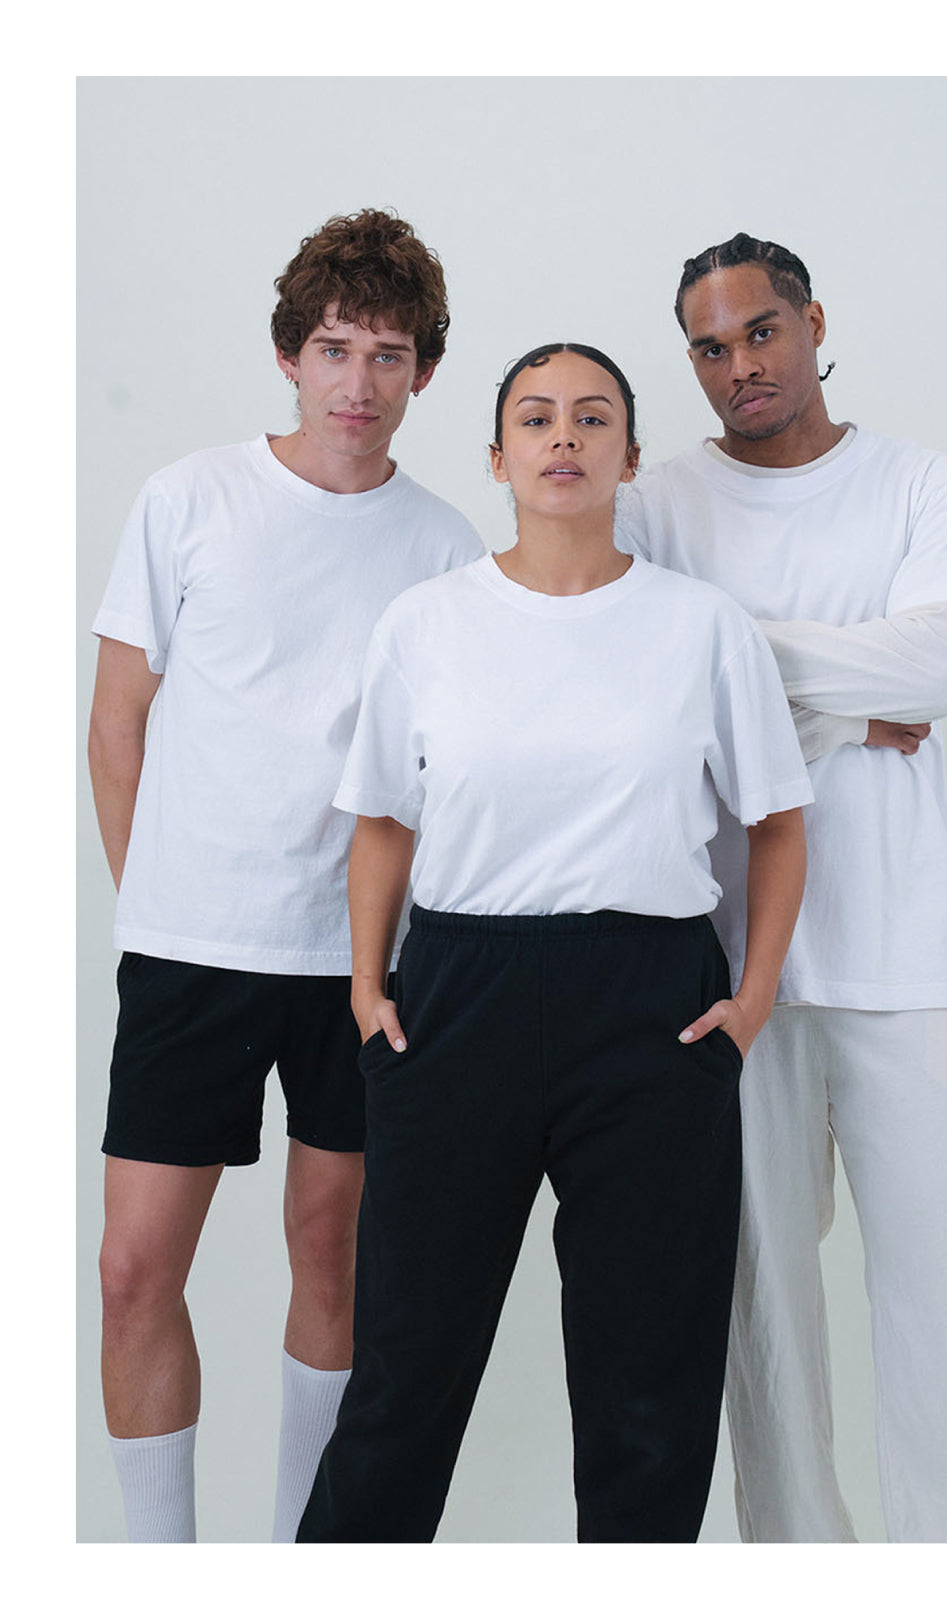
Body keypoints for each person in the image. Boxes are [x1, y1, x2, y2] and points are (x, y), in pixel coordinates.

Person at [295, 342, 812, 1542]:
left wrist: (754, 997)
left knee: (648, 1391)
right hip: (455, 1000)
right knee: (403, 1379)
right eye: (536, 419)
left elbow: (778, 826)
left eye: (592, 418)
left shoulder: (701, 627)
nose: (564, 438)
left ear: (632, 455)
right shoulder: (427, 624)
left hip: (653, 1012)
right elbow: (381, 821)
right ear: (497, 458)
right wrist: (368, 988)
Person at [613, 231, 947, 1543]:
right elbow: (636, 695)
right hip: (735, 969)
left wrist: (740, 667)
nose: (740, 366)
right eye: (710, 348)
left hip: (908, 962)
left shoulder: (924, 486)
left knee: (946, 1314)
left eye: (760, 333)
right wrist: (858, 704)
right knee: (765, 1330)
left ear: (811, 319)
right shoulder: (657, 504)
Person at [87, 208, 482, 1543]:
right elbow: (114, 725)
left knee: (332, 1252)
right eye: (334, 349)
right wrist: (159, 900)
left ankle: (306, 1565)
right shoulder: (188, 499)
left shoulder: (445, 551)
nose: (359, 384)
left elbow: (449, 771)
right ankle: (158, 1569)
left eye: (388, 355)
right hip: (191, 948)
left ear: (423, 371)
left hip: (362, 964)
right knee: (134, 1269)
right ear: (288, 356)